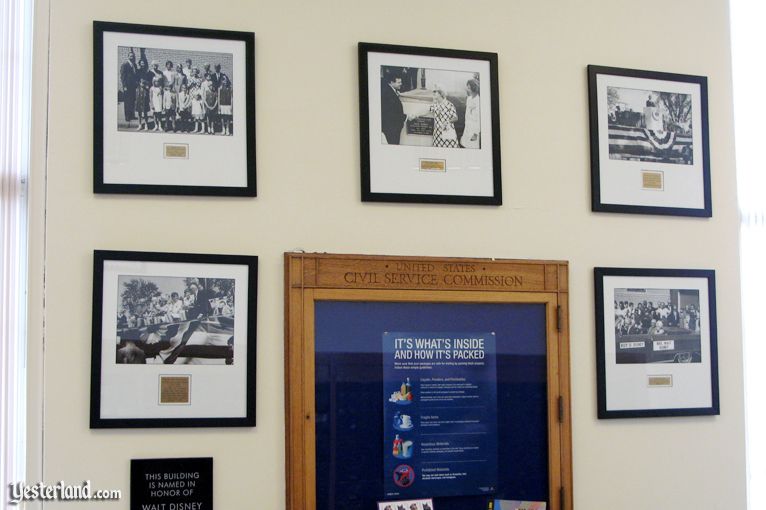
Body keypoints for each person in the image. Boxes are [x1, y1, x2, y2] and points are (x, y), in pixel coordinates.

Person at [412, 83, 459, 148]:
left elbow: (455, 118)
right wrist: (415, 115)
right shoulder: (435, 104)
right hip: (437, 135)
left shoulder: (450, 105)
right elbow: (426, 111)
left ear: (441, 93)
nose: (433, 93)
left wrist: (447, 122)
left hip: (448, 134)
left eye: (435, 91)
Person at [380, 71, 406, 145]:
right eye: (399, 82)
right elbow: (392, 113)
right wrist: (406, 117)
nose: (401, 84)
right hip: (391, 129)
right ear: (392, 82)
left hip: (393, 128)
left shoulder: (391, 91)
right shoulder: (388, 94)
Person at [460, 78, 480, 148]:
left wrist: (476, 133)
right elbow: (467, 114)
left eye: (469, 88)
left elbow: (479, 119)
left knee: (473, 146)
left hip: (474, 128)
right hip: (467, 126)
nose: (467, 89)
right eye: (467, 87)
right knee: (465, 145)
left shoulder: (478, 100)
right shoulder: (468, 99)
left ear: (473, 88)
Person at [119, 50, 138, 124]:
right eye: (130, 56)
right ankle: (127, 116)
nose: (132, 57)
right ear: (128, 57)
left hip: (133, 86)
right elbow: (122, 76)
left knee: (132, 101)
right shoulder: (125, 65)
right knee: (127, 102)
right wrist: (124, 86)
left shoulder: (134, 65)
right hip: (127, 86)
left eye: (133, 56)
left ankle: (132, 115)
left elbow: (135, 75)